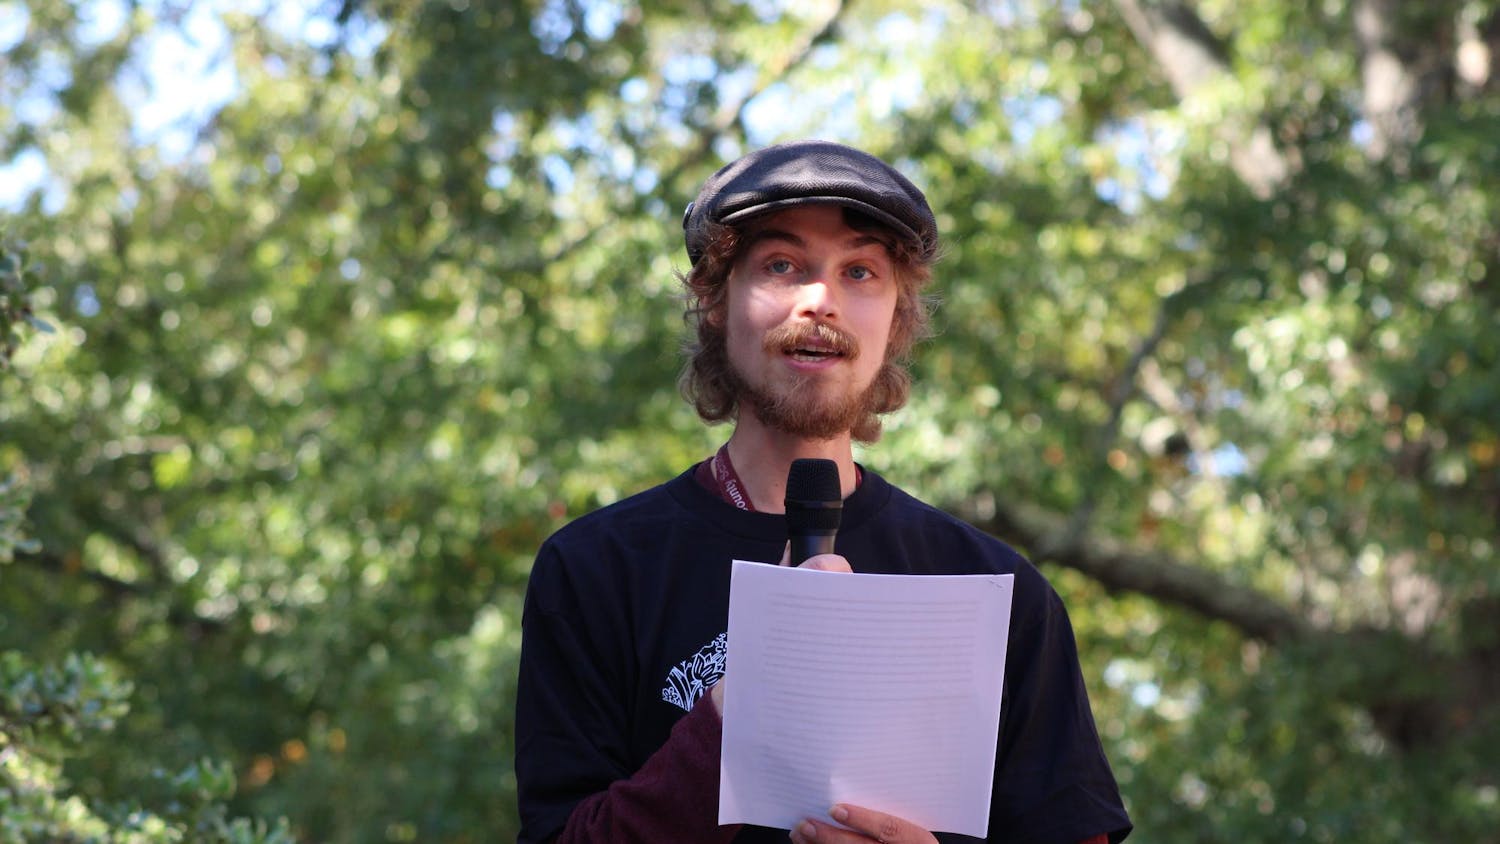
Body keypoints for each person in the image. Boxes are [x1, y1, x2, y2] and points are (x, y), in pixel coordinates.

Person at [513, 140, 1132, 844]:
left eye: (860, 271)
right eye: (782, 265)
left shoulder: (998, 592)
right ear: (716, 299)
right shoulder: (595, 569)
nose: (820, 299)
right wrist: (734, 715)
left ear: (896, 318)